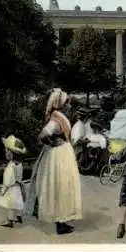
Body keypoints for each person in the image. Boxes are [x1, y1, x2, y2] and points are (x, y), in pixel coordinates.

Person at [24, 88, 82, 235]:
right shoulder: (56, 119)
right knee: (60, 186)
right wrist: (53, 143)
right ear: (61, 104)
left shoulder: (60, 117)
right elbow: (43, 135)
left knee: (64, 186)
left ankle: (62, 221)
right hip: (58, 155)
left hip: (62, 153)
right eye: (67, 102)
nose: (69, 105)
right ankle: (59, 223)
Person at [0, 135, 27, 228]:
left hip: (12, 187)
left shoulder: (11, 166)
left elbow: (8, 180)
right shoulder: (19, 164)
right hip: (18, 186)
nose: (5, 152)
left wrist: (3, 190)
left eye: (7, 150)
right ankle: (19, 217)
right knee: (18, 202)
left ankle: (10, 221)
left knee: (11, 204)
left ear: (11, 153)